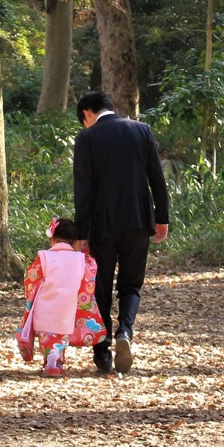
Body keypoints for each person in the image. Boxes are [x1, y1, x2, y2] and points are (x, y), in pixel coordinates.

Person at [73, 90, 170, 375]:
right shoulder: (141, 131)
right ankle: (124, 332)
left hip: (102, 226)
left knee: (100, 288)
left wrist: (82, 233)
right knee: (131, 285)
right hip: (139, 221)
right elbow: (157, 179)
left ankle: (102, 351)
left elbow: (84, 191)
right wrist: (162, 217)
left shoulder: (87, 139)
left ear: (88, 114)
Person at [19, 217, 87, 378]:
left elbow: (32, 277)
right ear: (74, 240)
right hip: (67, 306)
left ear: (53, 238)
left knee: (47, 335)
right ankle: (57, 361)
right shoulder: (80, 259)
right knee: (61, 335)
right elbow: (86, 281)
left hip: (46, 305)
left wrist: (30, 294)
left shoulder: (44, 257)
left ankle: (50, 360)